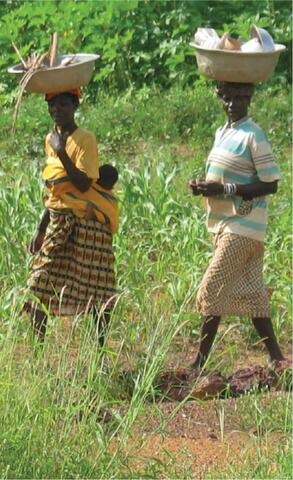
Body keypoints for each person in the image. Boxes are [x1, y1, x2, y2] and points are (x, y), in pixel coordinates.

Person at [189, 81, 286, 373]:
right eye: (229, 97)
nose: (234, 103)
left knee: (211, 288)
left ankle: (199, 363)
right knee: (254, 298)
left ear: (250, 99)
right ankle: (278, 360)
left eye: (241, 97)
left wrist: (226, 187)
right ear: (221, 99)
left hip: (243, 227)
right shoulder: (223, 132)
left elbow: (270, 184)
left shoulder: (254, 135)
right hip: (226, 224)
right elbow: (222, 175)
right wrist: (205, 187)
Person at [25, 88, 118, 346]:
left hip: (86, 223)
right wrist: (40, 229)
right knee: (38, 285)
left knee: (97, 291)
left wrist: (62, 152)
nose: (58, 110)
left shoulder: (85, 139)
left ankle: (100, 352)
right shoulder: (50, 139)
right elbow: (56, 189)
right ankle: (38, 354)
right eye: (53, 105)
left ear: (75, 107)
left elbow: (83, 185)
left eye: (64, 105)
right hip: (59, 220)